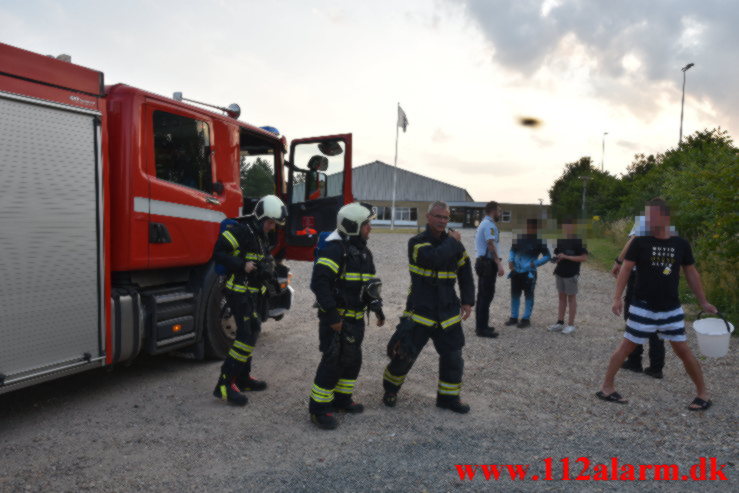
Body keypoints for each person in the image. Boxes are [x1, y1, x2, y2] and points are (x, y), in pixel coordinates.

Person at [597, 198, 717, 410]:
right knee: (626, 346)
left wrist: (703, 302)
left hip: (671, 309)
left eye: (652, 216)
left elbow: (691, 273)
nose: (648, 220)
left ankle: (703, 394)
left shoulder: (680, 244)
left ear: (665, 217)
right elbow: (625, 269)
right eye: (647, 216)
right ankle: (606, 387)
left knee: (683, 350)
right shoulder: (640, 242)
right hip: (642, 306)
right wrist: (617, 298)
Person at [382, 201, 475, 414]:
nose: (442, 221)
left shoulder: (454, 244)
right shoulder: (417, 242)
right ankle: (390, 389)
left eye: (446, 218)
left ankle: (448, 399)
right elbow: (433, 259)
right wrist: (453, 242)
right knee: (404, 356)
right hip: (420, 310)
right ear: (428, 217)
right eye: (438, 216)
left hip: (448, 311)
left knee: (453, 358)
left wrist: (468, 300)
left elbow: (465, 272)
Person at [308, 202, 386, 430]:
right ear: (353, 226)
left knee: (352, 361)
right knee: (332, 363)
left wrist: (377, 308)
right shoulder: (334, 249)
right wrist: (332, 317)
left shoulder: (364, 252)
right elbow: (319, 283)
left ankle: (342, 400)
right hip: (337, 321)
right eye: (366, 224)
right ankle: (319, 409)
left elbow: (369, 285)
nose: (370, 228)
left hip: (355, 320)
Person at [212, 195, 287, 406]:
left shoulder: (261, 235)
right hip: (239, 291)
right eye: (271, 222)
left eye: (275, 224)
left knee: (253, 331)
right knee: (245, 335)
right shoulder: (241, 231)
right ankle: (224, 384)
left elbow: (263, 260)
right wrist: (241, 265)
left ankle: (243, 379)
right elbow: (218, 253)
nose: (272, 227)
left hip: (253, 292)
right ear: (261, 217)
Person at [614, 215, 676, 379]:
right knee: (657, 318)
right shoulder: (669, 225)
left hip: (640, 275)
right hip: (662, 278)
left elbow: (632, 242)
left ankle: (634, 361)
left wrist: (619, 261)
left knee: (633, 315)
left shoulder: (644, 220)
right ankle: (656, 366)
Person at [504, 219, 551, 328]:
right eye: (527, 227)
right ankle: (514, 317)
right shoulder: (519, 238)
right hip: (515, 272)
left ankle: (526, 319)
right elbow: (512, 250)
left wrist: (535, 263)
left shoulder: (540, 241)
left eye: (531, 228)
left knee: (528, 295)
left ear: (536, 229)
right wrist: (510, 260)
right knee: (515, 295)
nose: (528, 229)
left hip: (529, 274)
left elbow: (547, 256)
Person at [548, 218, 588, 334]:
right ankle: (560, 323)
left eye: (569, 226)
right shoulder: (560, 240)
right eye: (564, 226)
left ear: (573, 227)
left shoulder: (578, 241)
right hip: (560, 272)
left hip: (571, 274)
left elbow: (584, 258)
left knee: (571, 299)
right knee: (561, 298)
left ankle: (571, 325)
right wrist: (556, 259)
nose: (566, 228)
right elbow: (557, 254)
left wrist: (566, 257)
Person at [474, 201, 505, 338]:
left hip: (483, 262)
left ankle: (481, 326)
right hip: (487, 263)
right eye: (499, 211)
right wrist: (498, 263)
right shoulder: (489, 225)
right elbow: (490, 245)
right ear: (493, 211)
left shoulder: (484, 223)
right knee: (485, 297)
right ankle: (482, 329)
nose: (500, 213)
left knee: (483, 296)